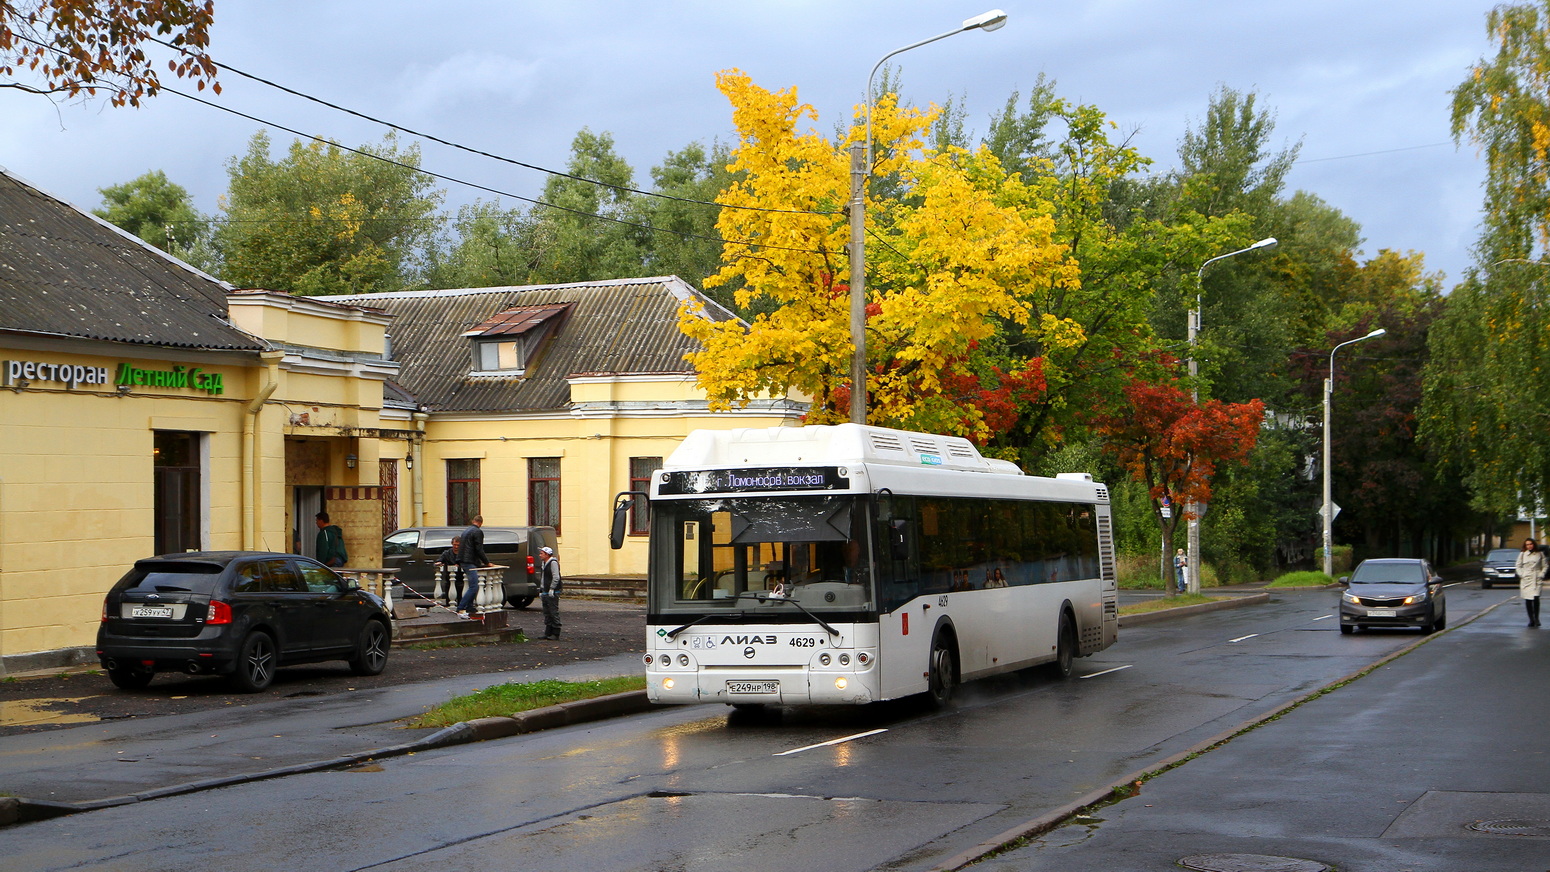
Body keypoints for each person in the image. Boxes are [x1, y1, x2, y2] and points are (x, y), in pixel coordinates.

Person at [456, 515, 489, 617]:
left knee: (471, 585)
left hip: (463, 560)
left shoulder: (466, 531)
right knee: (474, 586)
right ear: (480, 523)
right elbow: (479, 549)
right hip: (470, 561)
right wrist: (487, 562)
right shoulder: (477, 532)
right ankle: (461, 607)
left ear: (473, 521)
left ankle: (470, 606)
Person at [1515, 537, 1545, 627]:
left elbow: (1545, 566)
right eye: (1527, 544)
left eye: (1531, 544)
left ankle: (1537, 618)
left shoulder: (1540, 554)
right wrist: (1522, 574)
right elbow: (1518, 566)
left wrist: (1541, 574)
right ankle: (1531, 619)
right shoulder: (1522, 554)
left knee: (1536, 598)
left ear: (1534, 544)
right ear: (1525, 546)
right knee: (1528, 599)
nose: (1529, 546)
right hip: (1526, 579)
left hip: (1536, 578)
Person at [538, 545, 563, 640]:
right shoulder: (544, 564)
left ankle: (556, 632)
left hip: (552, 591)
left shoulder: (553, 563)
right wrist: (541, 589)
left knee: (553, 611)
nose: (540, 555)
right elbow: (543, 578)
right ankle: (548, 632)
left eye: (542, 553)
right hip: (545, 591)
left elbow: (556, 577)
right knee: (547, 612)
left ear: (547, 554)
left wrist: (552, 588)